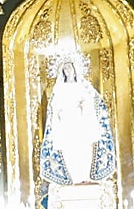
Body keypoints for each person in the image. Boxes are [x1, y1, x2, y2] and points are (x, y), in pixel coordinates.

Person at [39, 54, 115, 188]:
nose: (68, 71)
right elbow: (55, 107)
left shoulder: (84, 87)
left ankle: (85, 176)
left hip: (82, 123)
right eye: (65, 68)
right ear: (62, 71)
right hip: (67, 125)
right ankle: (74, 177)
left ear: (75, 69)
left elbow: (94, 102)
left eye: (70, 68)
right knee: (70, 151)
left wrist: (84, 106)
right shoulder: (59, 89)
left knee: (83, 150)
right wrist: (61, 113)